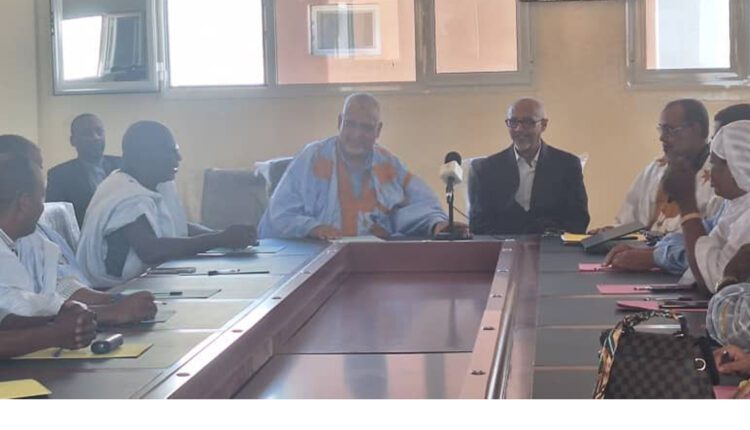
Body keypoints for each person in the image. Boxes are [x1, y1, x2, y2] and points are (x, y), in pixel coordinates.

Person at [0, 135, 156, 325]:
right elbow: (11, 307)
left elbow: (56, 289)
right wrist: (106, 312)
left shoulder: (29, 237)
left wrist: (114, 301)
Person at [77, 121, 257, 287]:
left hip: (148, 282)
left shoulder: (156, 183)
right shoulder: (125, 193)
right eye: (170, 152)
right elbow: (150, 250)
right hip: (113, 292)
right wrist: (219, 239)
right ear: (145, 156)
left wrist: (223, 236)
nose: (178, 157)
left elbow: (176, 226)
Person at [259, 93, 455, 240]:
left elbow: (419, 203)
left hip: (375, 259)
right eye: (350, 124)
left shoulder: (388, 164)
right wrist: (313, 228)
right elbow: (281, 213)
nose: (356, 134)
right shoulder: (313, 157)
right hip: (315, 255)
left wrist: (437, 223)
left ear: (378, 130)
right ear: (339, 122)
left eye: (366, 127)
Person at [603, 104, 750, 273]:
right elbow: (704, 238)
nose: (662, 138)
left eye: (670, 130)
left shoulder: (725, 187)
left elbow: (712, 270)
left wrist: (688, 206)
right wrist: (652, 251)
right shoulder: (733, 202)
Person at [0, 152, 97, 357]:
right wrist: (54, 334)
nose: (42, 206)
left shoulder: (16, 241)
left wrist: (62, 319)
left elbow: (7, 315)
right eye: (41, 197)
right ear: (25, 202)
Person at [594, 99, 722, 236]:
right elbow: (627, 221)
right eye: (661, 129)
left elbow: (711, 238)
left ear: (696, 130)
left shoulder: (719, 176)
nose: (662, 137)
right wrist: (611, 234)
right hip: (641, 247)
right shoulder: (654, 169)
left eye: (669, 130)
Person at [469, 98, 589, 234]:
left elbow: (578, 220)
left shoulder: (567, 165)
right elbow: (478, 224)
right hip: (502, 244)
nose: (519, 129)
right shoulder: (486, 169)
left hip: (553, 245)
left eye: (527, 122)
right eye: (513, 122)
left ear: (543, 125)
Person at [661, 120, 750, 294]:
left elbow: (716, 282)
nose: (710, 171)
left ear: (737, 167)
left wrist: (687, 205)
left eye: (714, 164)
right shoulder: (736, 206)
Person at [46, 114, 122, 225]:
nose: (95, 137)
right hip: (83, 234)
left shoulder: (122, 165)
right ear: (73, 140)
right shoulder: (59, 175)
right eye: (87, 133)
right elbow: (55, 219)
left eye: (99, 131)